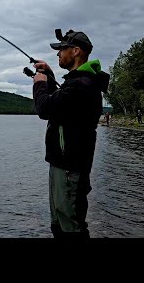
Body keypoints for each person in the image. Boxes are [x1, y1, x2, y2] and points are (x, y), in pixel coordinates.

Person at [32, 29, 109, 238]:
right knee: (60, 224)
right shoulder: (79, 82)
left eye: (61, 50)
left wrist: (39, 83)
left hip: (69, 170)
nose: (58, 54)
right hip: (64, 167)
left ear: (75, 51)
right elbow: (60, 102)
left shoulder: (82, 85)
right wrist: (49, 75)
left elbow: (45, 108)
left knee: (71, 227)